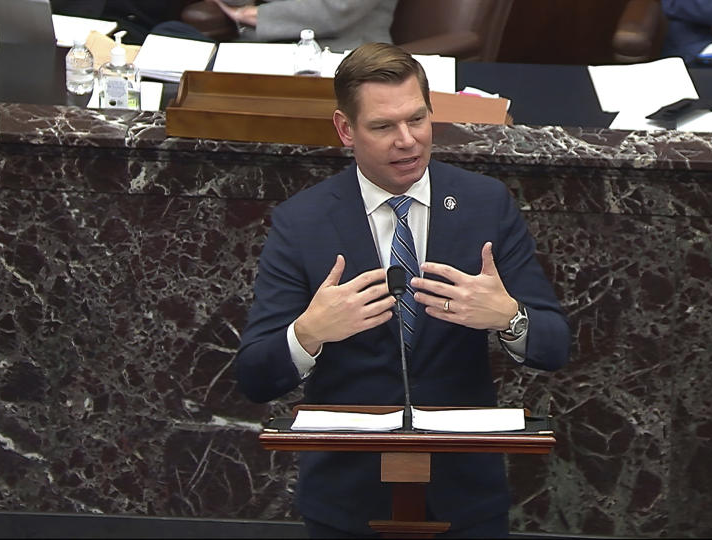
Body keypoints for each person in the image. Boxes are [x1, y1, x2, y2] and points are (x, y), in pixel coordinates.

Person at [234, 43, 571, 537]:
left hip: (465, 493)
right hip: (348, 498)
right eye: (383, 126)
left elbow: (555, 345)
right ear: (346, 130)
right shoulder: (302, 223)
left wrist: (509, 318)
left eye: (418, 119)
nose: (407, 141)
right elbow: (256, 376)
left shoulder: (484, 205)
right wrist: (308, 333)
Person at [153, 0, 397, 52]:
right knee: (168, 37)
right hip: (265, 47)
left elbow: (338, 9)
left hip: (338, 53)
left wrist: (251, 14)